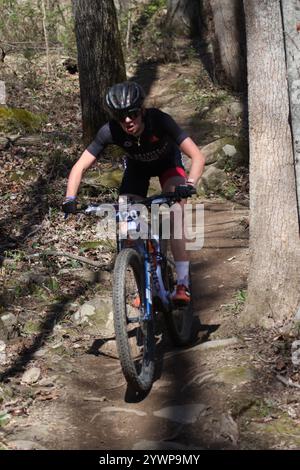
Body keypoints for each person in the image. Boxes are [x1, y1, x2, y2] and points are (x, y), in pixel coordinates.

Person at [62, 81, 205, 304]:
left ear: (142, 110)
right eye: (121, 116)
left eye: (132, 114)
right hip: (137, 171)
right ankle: (146, 286)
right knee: (127, 228)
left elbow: (197, 156)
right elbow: (79, 166)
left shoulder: (159, 120)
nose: (128, 120)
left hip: (168, 165)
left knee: (176, 214)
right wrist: (70, 198)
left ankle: (183, 285)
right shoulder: (108, 131)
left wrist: (191, 183)